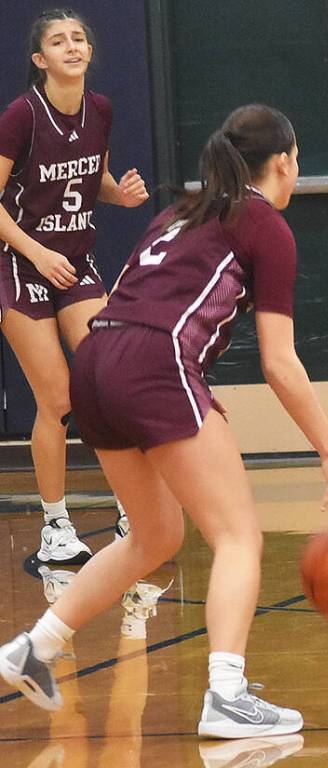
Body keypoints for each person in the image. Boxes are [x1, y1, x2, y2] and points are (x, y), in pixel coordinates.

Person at [0, 103, 328, 739]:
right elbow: (281, 363)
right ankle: (227, 694)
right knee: (238, 536)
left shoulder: (179, 211)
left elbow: (134, 295)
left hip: (98, 359)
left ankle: (35, 648)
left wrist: (173, 381)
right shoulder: (266, 227)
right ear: (285, 161)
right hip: (154, 365)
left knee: (154, 538)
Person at [0, 8, 149, 565]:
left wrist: (122, 195)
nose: (71, 46)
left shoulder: (100, 110)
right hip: (19, 261)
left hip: (75, 261)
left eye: (78, 38)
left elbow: (94, 183)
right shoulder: (21, 116)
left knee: (110, 382)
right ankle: (55, 526)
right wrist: (37, 251)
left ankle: (133, 510)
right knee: (58, 398)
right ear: (40, 59)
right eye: (58, 41)